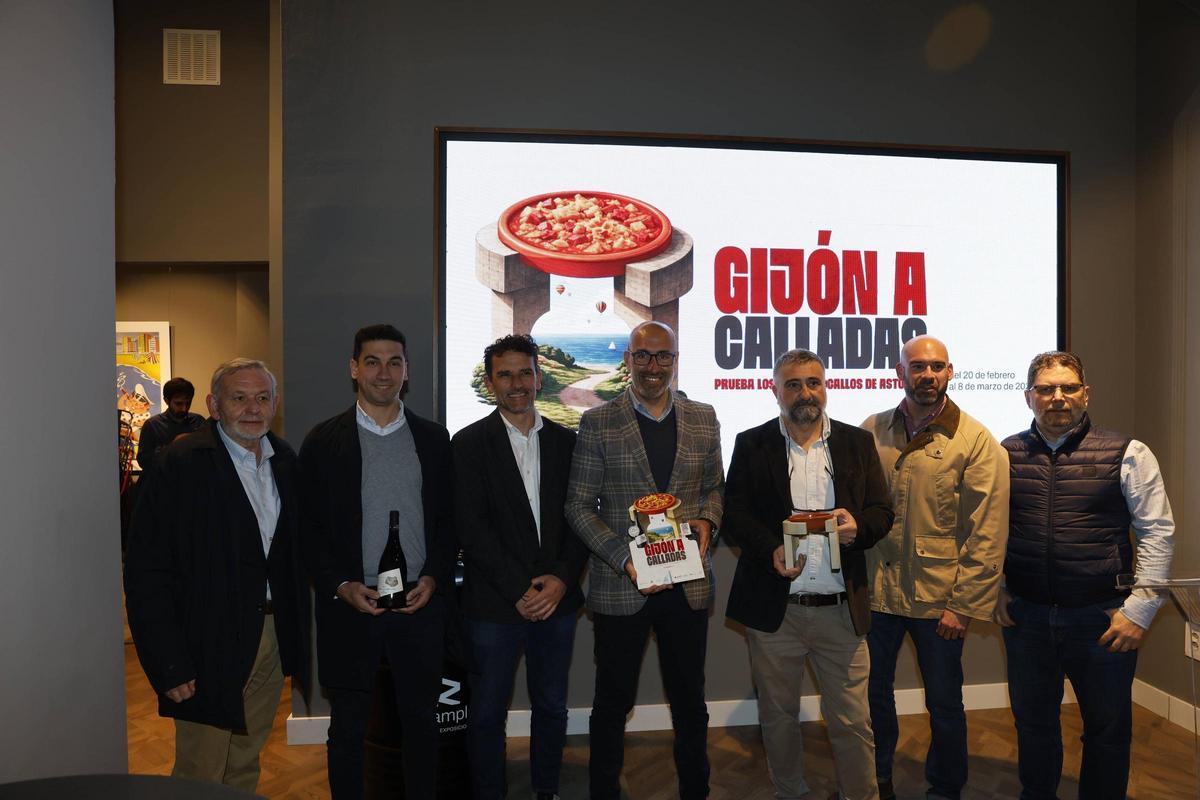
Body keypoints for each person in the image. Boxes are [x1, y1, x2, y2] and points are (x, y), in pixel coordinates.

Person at [994, 351, 1174, 800]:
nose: (1058, 398)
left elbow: (1157, 532)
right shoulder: (1004, 454)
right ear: (1028, 397)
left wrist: (1141, 610)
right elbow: (988, 531)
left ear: (1085, 393)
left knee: (1107, 731)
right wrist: (994, 588)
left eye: (1068, 388)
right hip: (1028, 618)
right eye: (1046, 389)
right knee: (1033, 727)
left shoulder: (1128, 453)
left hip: (1103, 620)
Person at [124, 358, 310, 793]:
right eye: (239, 397)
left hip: (270, 635)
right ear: (213, 404)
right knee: (201, 770)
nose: (252, 408)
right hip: (205, 641)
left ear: (275, 403)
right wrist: (167, 661)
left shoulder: (284, 461)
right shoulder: (180, 464)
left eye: (262, 398)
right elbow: (147, 572)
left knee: (246, 761)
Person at [565, 320, 724, 800]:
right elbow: (577, 505)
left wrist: (707, 523)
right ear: (628, 361)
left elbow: (715, 489)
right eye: (643, 356)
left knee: (691, 704)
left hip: (686, 584)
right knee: (612, 704)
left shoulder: (703, 417)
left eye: (663, 357)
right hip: (622, 588)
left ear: (675, 361)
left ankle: (695, 790)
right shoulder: (598, 421)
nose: (654, 367)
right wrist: (624, 561)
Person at [725, 349, 894, 800]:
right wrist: (770, 550)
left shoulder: (857, 444)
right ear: (775, 390)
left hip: (841, 609)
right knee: (778, 718)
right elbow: (735, 516)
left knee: (853, 721)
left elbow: (882, 512)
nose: (806, 392)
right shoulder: (751, 443)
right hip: (777, 611)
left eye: (814, 382)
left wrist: (860, 529)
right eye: (794, 383)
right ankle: (790, 792)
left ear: (826, 387)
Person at [299, 324, 455, 800]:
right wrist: (340, 585)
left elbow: (450, 522)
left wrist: (433, 577)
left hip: (417, 607)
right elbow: (307, 532)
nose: (383, 373)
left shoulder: (432, 439)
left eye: (394, 362)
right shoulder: (323, 441)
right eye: (372, 361)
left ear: (406, 371)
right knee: (346, 731)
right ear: (354, 369)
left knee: (422, 725)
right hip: (351, 608)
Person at [860, 335, 1008, 800]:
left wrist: (963, 606)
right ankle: (877, 779)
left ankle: (946, 787)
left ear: (950, 372)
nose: (928, 375)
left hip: (939, 600)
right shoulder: (872, 429)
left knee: (945, 703)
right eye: (918, 367)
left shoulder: (976, 440)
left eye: (937, 366)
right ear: (898, 373)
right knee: (872, 697)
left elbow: (988, 532)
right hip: (877, 594)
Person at [452, 334, 587, 800]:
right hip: (493, 606)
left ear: (539, 377)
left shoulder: (569, 443)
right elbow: (470, 529)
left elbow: (580, 517)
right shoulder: (467, 444)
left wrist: (562, 579)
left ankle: (546, 790)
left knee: (552, 706)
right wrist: (520, 589)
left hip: (558, 602)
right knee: (487, 713)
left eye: (524, 373)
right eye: (505, 374)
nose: (516, 384)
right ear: (491, 382)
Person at [136, 376, 205, 472]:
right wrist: (172, 447)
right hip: (163, 483)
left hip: (192, 481)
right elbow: (143, 461)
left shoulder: (198, 421)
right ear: (166, 401)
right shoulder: (152, 425)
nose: (184, 409)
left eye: (188, 403)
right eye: (178, 404)